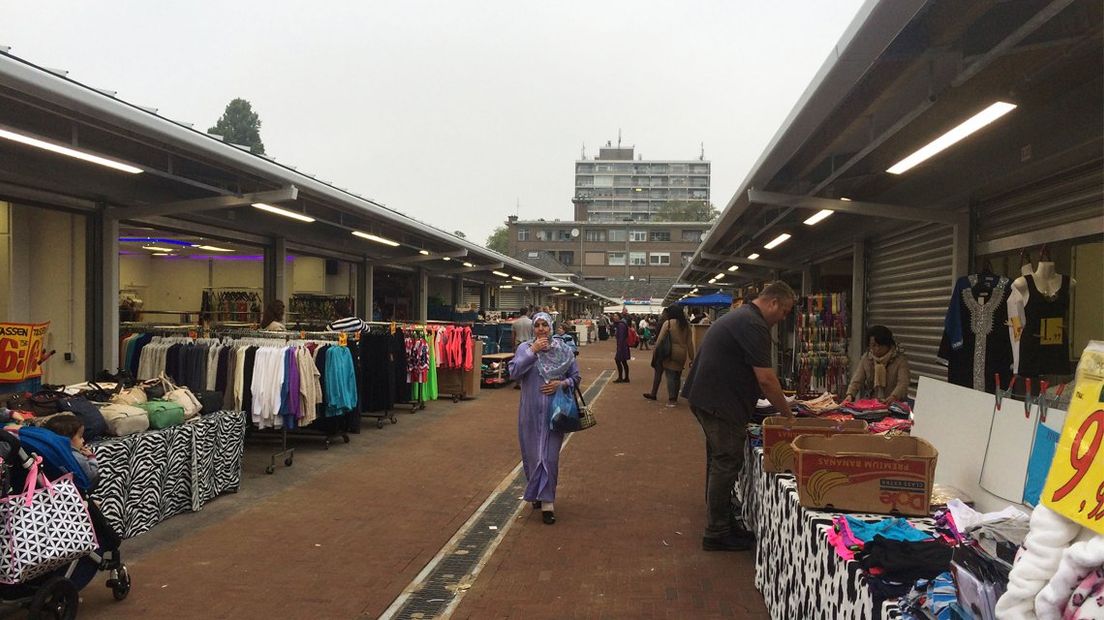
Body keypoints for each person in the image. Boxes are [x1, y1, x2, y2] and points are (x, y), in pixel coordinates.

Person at [682, 281, 795, 552]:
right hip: (720, 402)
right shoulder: (754, 324)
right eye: (785, 311)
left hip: (709, 397)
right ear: (774, 303)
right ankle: (717, 531)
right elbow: (766, 379)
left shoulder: (742, 316)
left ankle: (720, 519)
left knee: (719, 459)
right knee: (725, 460)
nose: (783, 318)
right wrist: (789, 416)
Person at [508, 312, 581, 525]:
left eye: (545, 325)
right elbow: (513, 373)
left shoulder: (563, 350)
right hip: (529, 413)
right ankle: (537, 491)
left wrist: (561, 384)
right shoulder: (524, 349)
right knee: (532, 457)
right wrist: (532, 351)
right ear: (533, 328)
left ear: (551, 328)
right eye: (537, 325)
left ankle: (548, 503)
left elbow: (575, 377)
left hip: (554, 414)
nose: (541, 329)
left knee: (549, 458)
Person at [843, 325, 911, 405]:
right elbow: (857, 380)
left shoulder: (900, 360)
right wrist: (850, 395)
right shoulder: (867, 358)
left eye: (880, 345)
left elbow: (903, 383)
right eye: (874, 345)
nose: (877, 349)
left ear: (888, 344)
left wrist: (894, 397)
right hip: (873, 404)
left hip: (895, 404)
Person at [644, 305, 694, 407]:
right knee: (677, 375)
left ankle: (672, 399)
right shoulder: (686, 325)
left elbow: (660, 339)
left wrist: (655, 351)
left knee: (670, 375)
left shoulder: (669, 323)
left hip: (670, 352)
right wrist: (692, 357)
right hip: (682, 352)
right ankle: (675, 396)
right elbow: (690, 343)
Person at [44, 413, 100, 489]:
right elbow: (91, 475)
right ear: (67, 439)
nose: (83, 440)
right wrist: (91, 457)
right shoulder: (77, 457)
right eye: (80, 437)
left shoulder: (49, 451)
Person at [512, 307, 535, 390]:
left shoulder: (515, 323)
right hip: (529, 345)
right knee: (528, 363)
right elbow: (534, 335)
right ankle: (527, 381)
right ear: (527, 312)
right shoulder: (531, 322)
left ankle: (518, 382)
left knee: (518, 363)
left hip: (518, 345)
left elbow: (513, 336)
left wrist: (513, 346)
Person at [612, 312, 631, 383]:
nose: (614, 317)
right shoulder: (622, 324)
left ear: (619, 317)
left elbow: (621, 337)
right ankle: (626, 378)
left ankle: (620, 377)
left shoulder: (620, 325)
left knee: (618, 360)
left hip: (622, 346)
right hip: (624, 345)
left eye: (616, 316)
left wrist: (619, 348)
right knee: (623, 361)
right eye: (614, 316)